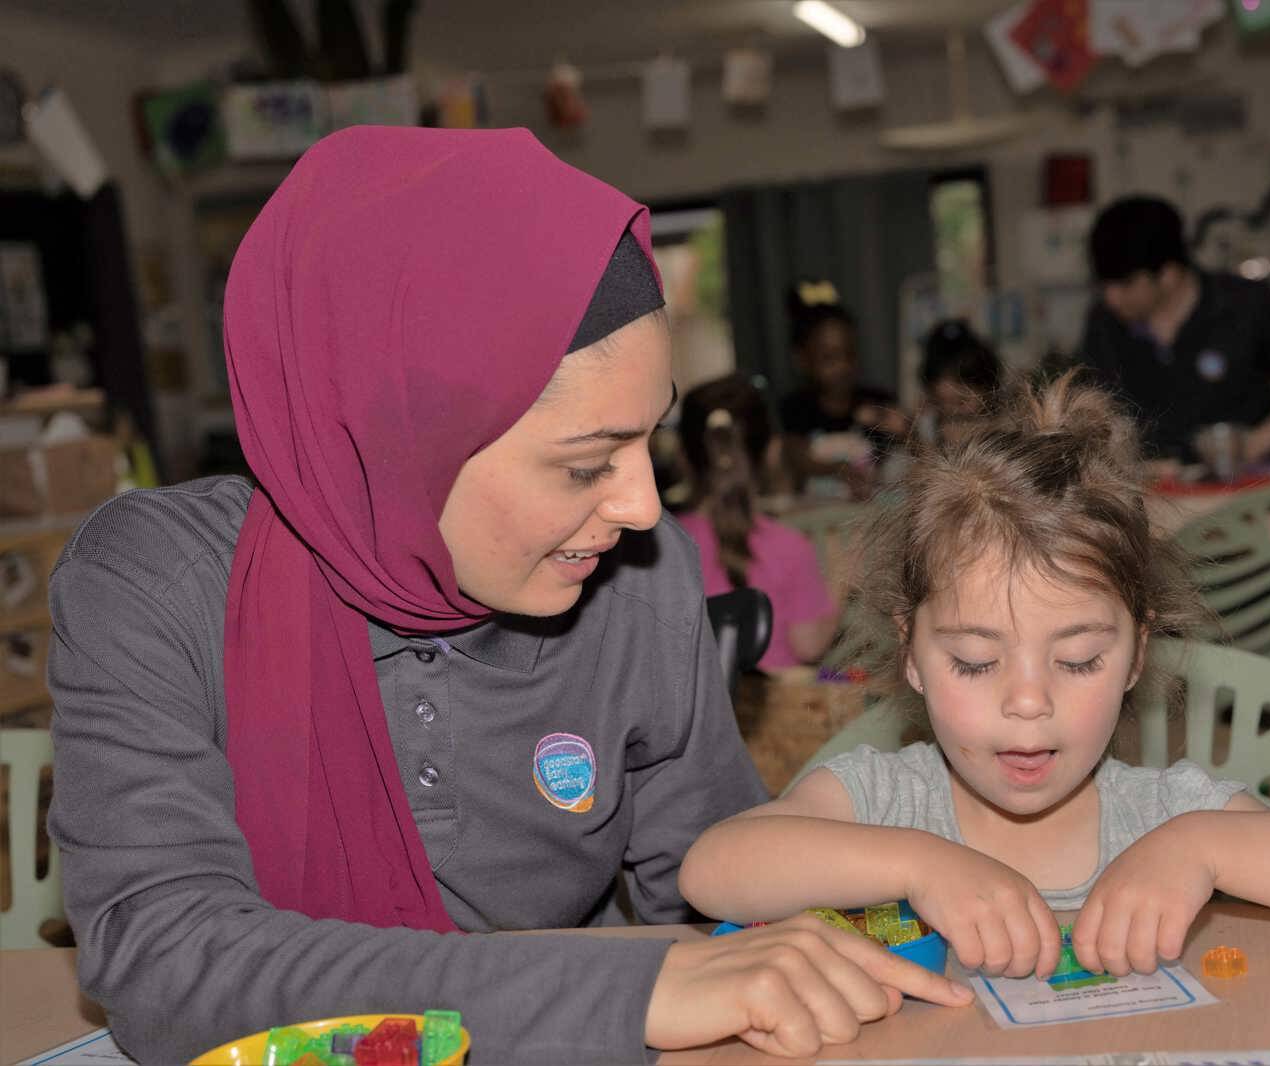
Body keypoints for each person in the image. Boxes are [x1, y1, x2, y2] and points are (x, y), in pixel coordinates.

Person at [45, 127, 969, 1064]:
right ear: (404, 441)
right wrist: (620, 990)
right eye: (583, 466)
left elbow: (720, 887)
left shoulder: (639, 586)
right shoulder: (158, 587)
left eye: (650, 441)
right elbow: (168, 960)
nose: (644, 507)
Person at [680, 373, 1270, 980]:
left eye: (1078, 661)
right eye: (975, 662)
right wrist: (918, 864)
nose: (1030, 702)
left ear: (1137, 653)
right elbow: (714, 869)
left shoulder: (1165, 815)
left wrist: (1205, 848)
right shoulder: (885, 803)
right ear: (911, 653)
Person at [1042, 196, 1270, 464]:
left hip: (1246, 488)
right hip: (1153, 496)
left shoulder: (1248, 303)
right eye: (1104, 285)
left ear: (1168, 274)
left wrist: (1252, 447)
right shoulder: (1103, 323)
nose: (1111, 297)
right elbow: (1090, 405)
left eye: (1125, 284)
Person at [676, 374, 838, 669]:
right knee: (856, 680)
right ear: (772, 452)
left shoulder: (657, 548)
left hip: (692, 712)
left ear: (683, 457)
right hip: (780, 706)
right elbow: (809, 646)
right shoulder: (790, 546)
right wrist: (842, 578)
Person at [777, 281, 909, 498]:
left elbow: (910, 454)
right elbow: (795, 456)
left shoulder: (877, 401)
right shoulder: (797, 407)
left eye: (850, 355)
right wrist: (840, 470)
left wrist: (905, 430)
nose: (843, 367)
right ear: (802, 360)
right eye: (829, 358)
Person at [917, 318, 1005, 448]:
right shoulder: (928, 427)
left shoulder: (1006, 427)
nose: (953, 411)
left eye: (962, 401)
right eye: (940, 402)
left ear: (988, 390)